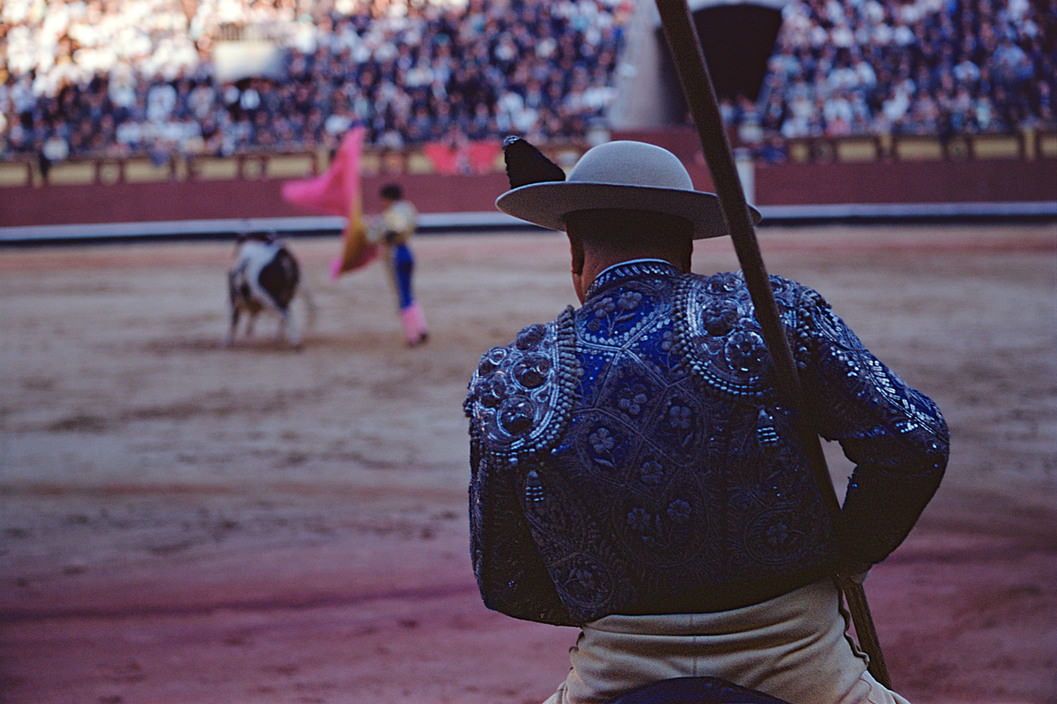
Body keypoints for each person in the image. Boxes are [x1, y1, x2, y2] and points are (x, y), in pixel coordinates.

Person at [463, 140, 949, 704]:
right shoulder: (772, 312)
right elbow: (914, 442)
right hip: (802, 662)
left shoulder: (515, 372)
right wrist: (851, 553)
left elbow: (507, 578)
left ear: (574, 250)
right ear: (687, 246)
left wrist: (607, 595)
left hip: (616, 668)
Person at [367, 183, 429, 346]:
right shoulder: (408, 208)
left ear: (387, 198)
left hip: (395, 254)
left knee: (403, 295)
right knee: (409, 292)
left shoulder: (390, 214)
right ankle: (421, 329)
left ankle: (412, 337)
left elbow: (390, 230)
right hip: (407, 251)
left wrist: (379, 230)